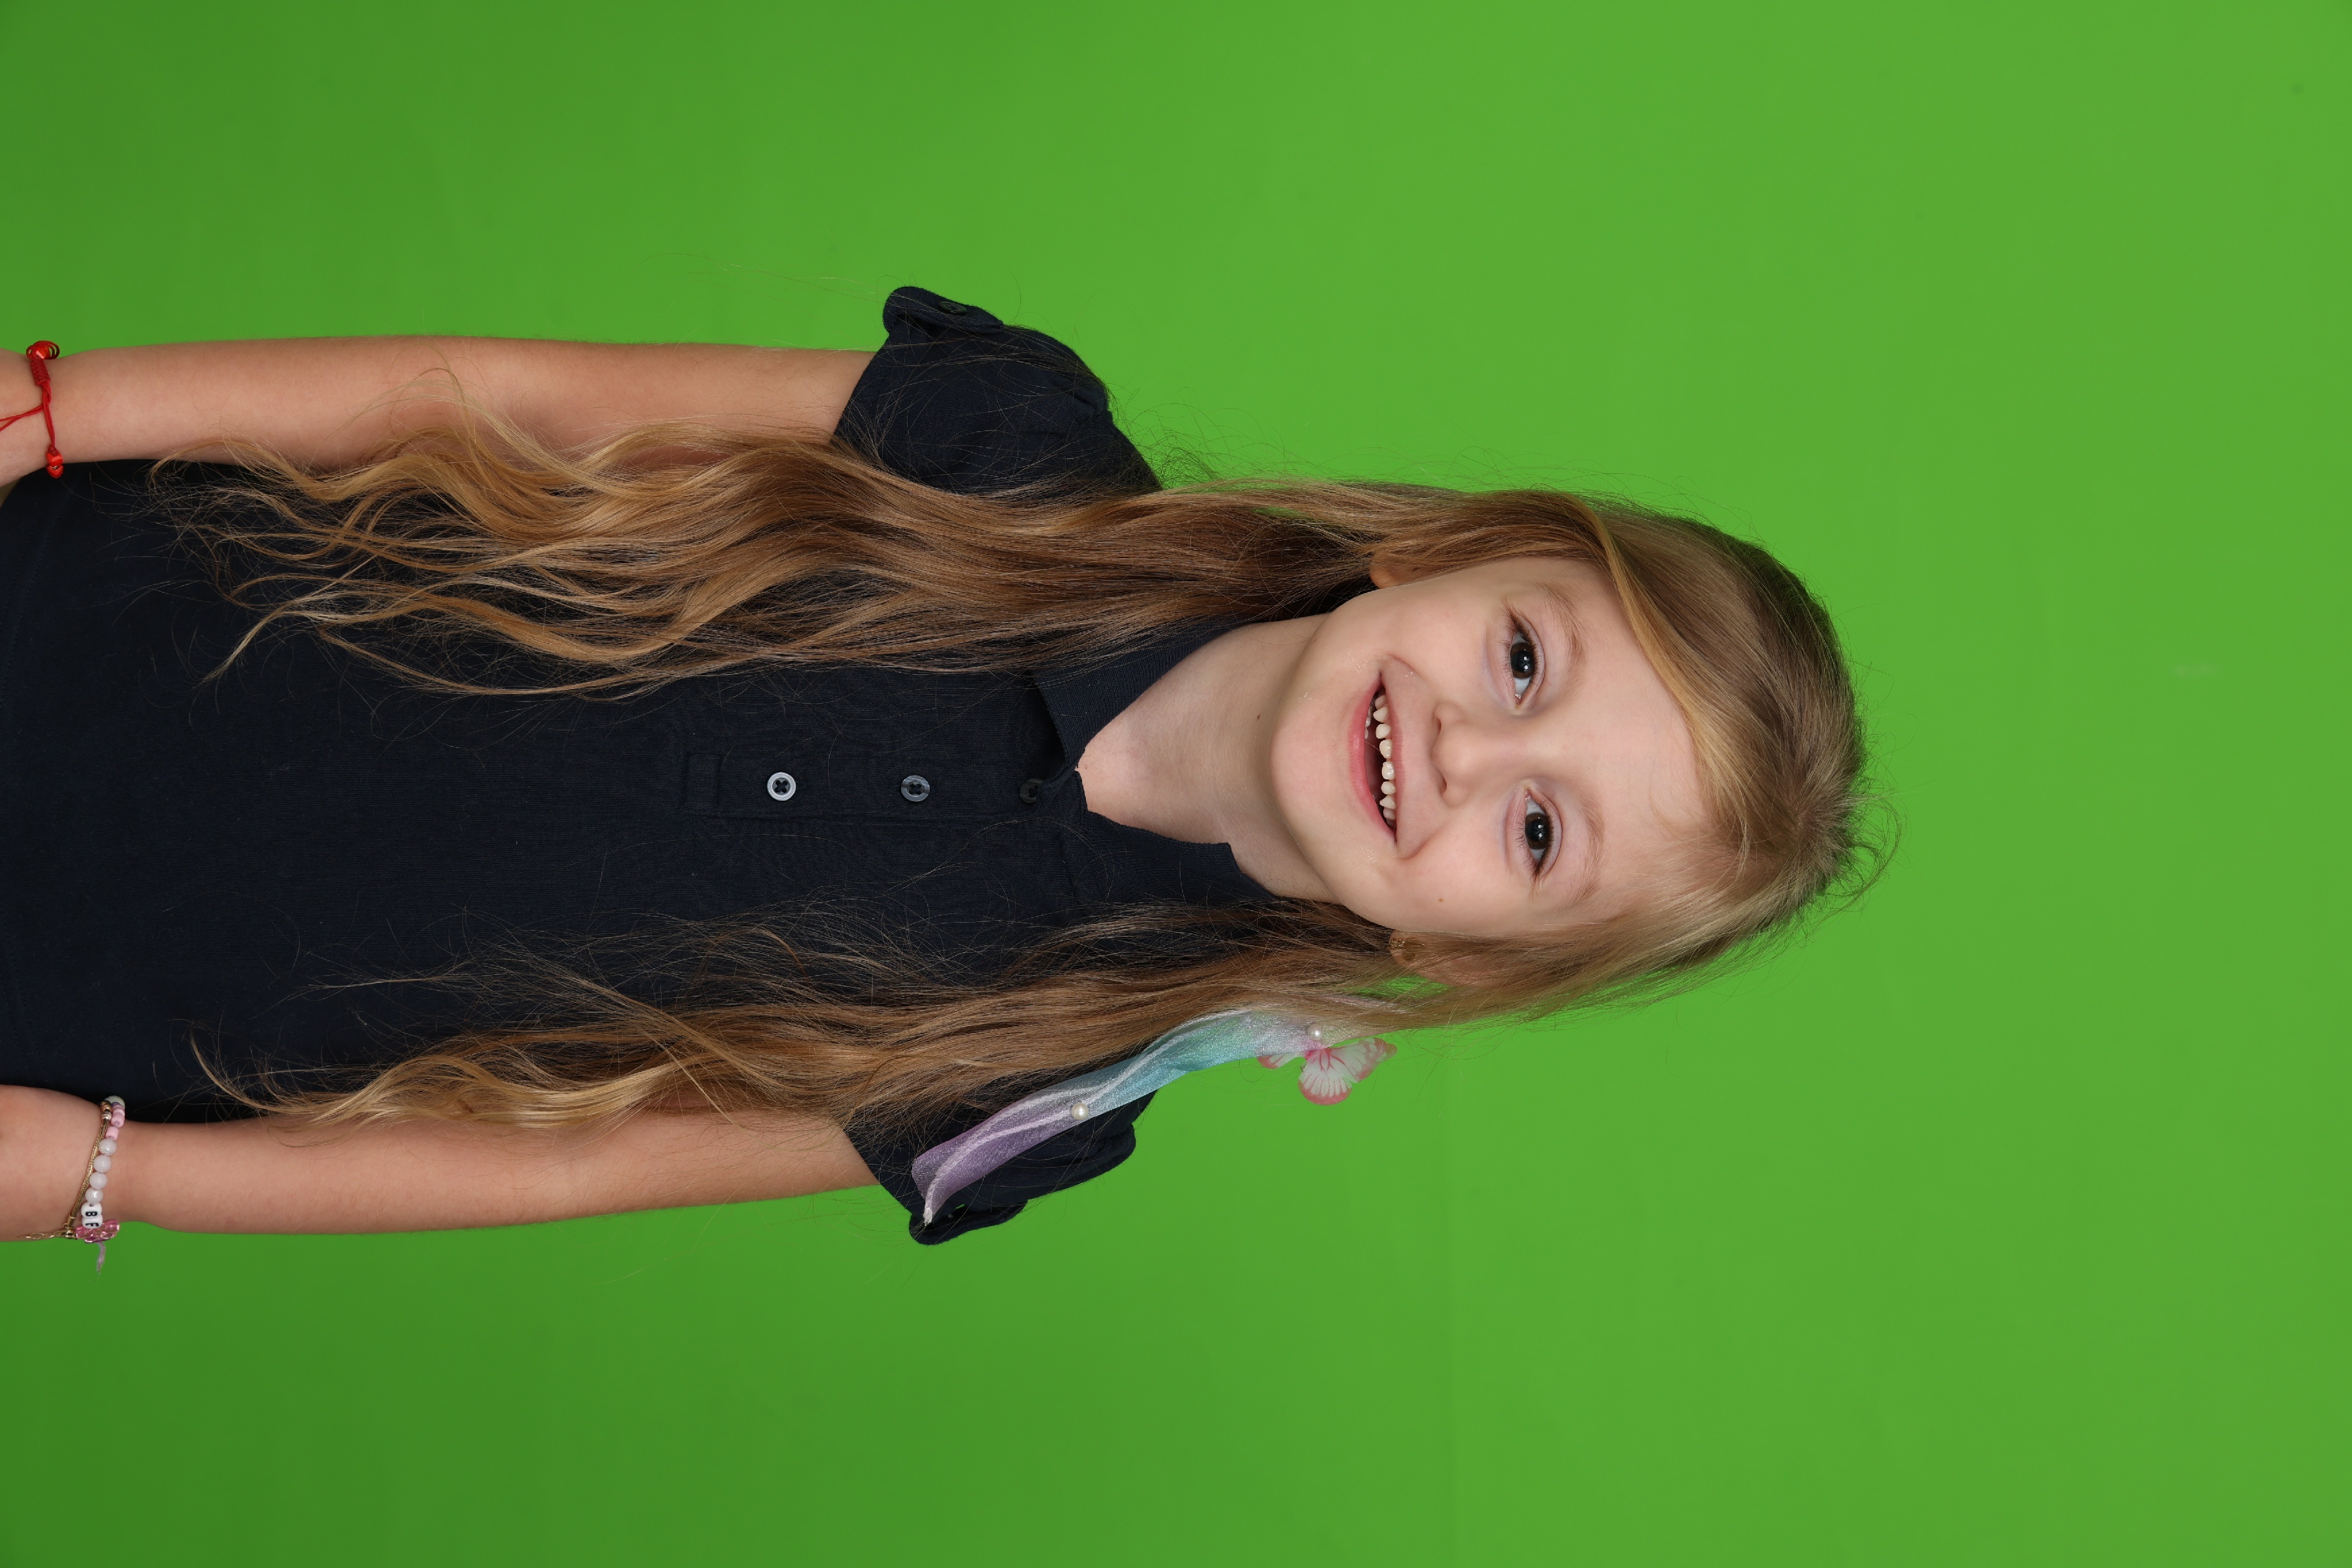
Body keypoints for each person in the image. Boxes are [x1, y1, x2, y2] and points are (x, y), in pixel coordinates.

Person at [0, 287, 1875, 1255]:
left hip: (95, 999)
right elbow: (502, 390)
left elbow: (562, 1168)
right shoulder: (1010, 445)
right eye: (1525, 660)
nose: (1468, 749)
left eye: (1540, 833)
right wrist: (59, 410)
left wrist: (108, 1174)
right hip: (85, 597)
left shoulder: (1042, 1078)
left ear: (1466, 956)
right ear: (1451, 552)